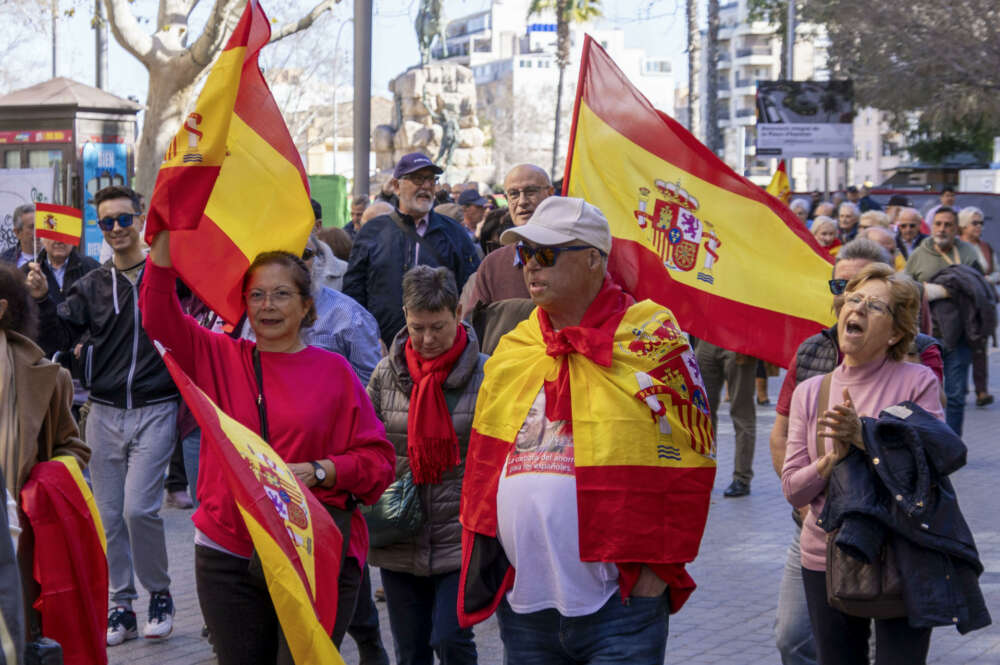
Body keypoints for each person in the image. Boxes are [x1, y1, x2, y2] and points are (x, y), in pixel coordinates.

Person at [458, 196, 714, 664]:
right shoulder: (516, 347)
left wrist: (660, 569)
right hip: (526, 604)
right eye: (525, 254)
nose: (532, 267)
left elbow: (694, 460)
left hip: (621, 605)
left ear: (594, 259)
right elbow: (482, 465)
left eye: (547, 254)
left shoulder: (654, 342)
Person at [141, 230, 395, 664]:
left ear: (307, 306)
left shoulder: (333, 372)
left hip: (310, 549)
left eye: (280, 294)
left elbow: (378, 461)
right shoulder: (218, 356)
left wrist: (319, 471)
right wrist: (163, 238)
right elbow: (158, 316)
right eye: (256, 295)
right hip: (229, 552)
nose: (267, 305)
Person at [769, 238, 944, 665]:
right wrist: (829, 461)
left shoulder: (917, 380)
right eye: (853, 300)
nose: (858, 309)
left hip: (902, 548)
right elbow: (793, 489)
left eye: (875, 305)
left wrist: (863, 437)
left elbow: (934, 459)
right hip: (826, 551)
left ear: (898, 332)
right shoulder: (814, 391)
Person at [26, 185, 180, 645]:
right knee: (109, 516)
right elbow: (55, 332)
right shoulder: (91, 284)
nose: (115, 229)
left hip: (156, 407)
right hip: (104, 412)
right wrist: (37, 298)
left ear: (139, 220)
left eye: (123, 219)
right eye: (106, 222)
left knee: (140, 510)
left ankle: (160, 594)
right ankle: (121, 605)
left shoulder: (167, 275)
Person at [367, 265, 485, 665]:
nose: (427, 339)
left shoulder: (486, 374)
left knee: (450, 640)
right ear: (404, 315)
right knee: (411, 652)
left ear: (458, 312)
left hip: (461, 535)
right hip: (400, 535)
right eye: (418, 328)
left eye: (438, 326)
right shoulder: (387, 373)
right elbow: (367, 444)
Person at [344, 153, 480, 347]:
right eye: (417, 179)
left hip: (439, 349)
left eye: (431, 180)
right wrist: (368, 337)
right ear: (397, 186)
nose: (425, 186)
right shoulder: (372, 232)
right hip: (381, 349)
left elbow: (471, 290)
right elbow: (353, 291)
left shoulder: (454, 233)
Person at [905, 207, 982, 435]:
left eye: (948, 224)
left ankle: (952, 445)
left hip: (960, 336)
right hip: (926, 337)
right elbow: (907, 291)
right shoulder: (920, 254)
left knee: (956, 395)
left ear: (956, 228)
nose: (942, 229)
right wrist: (930, 291)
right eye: (938, 223)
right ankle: (930, 443)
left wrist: (942, 291)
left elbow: (977, 288)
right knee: (924, 393)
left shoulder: (967, 252)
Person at [464, 164, 554, 308]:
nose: (522, 201)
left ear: (550, 193)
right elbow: (473, 326)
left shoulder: (572, 257)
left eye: (530, 191)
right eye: (514, 194)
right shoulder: (492, 265)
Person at [696, 339, 756, 497]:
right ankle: (703, 473)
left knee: (742, 413)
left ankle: (742, 478)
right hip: (707, 338)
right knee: (702, 413)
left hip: (739, 339)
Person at [958, 206, 998, 407]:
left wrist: (987, 279)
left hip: (984, 304)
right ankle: (960, 387)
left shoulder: (986, 247)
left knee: (980, 347)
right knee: (961, 346)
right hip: (963, 304)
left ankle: (981, 391)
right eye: (975, 222)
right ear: (964, 225)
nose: (979, 226)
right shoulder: (957, 247)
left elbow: (997, 272)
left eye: (981, 222)